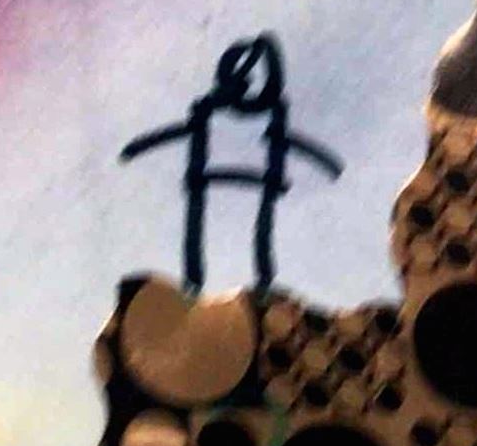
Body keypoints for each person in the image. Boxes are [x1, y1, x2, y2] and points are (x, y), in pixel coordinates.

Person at [118, 34, 343, 295]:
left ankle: (253, 287)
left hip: (248, 190)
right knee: (206, 241)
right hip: (211, 190)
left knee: (255, 240)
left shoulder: (268, 117)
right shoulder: (209, 114)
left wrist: (329, 166)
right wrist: (134, 149)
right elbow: (180, 131)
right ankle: (202, 287)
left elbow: (287, 141)